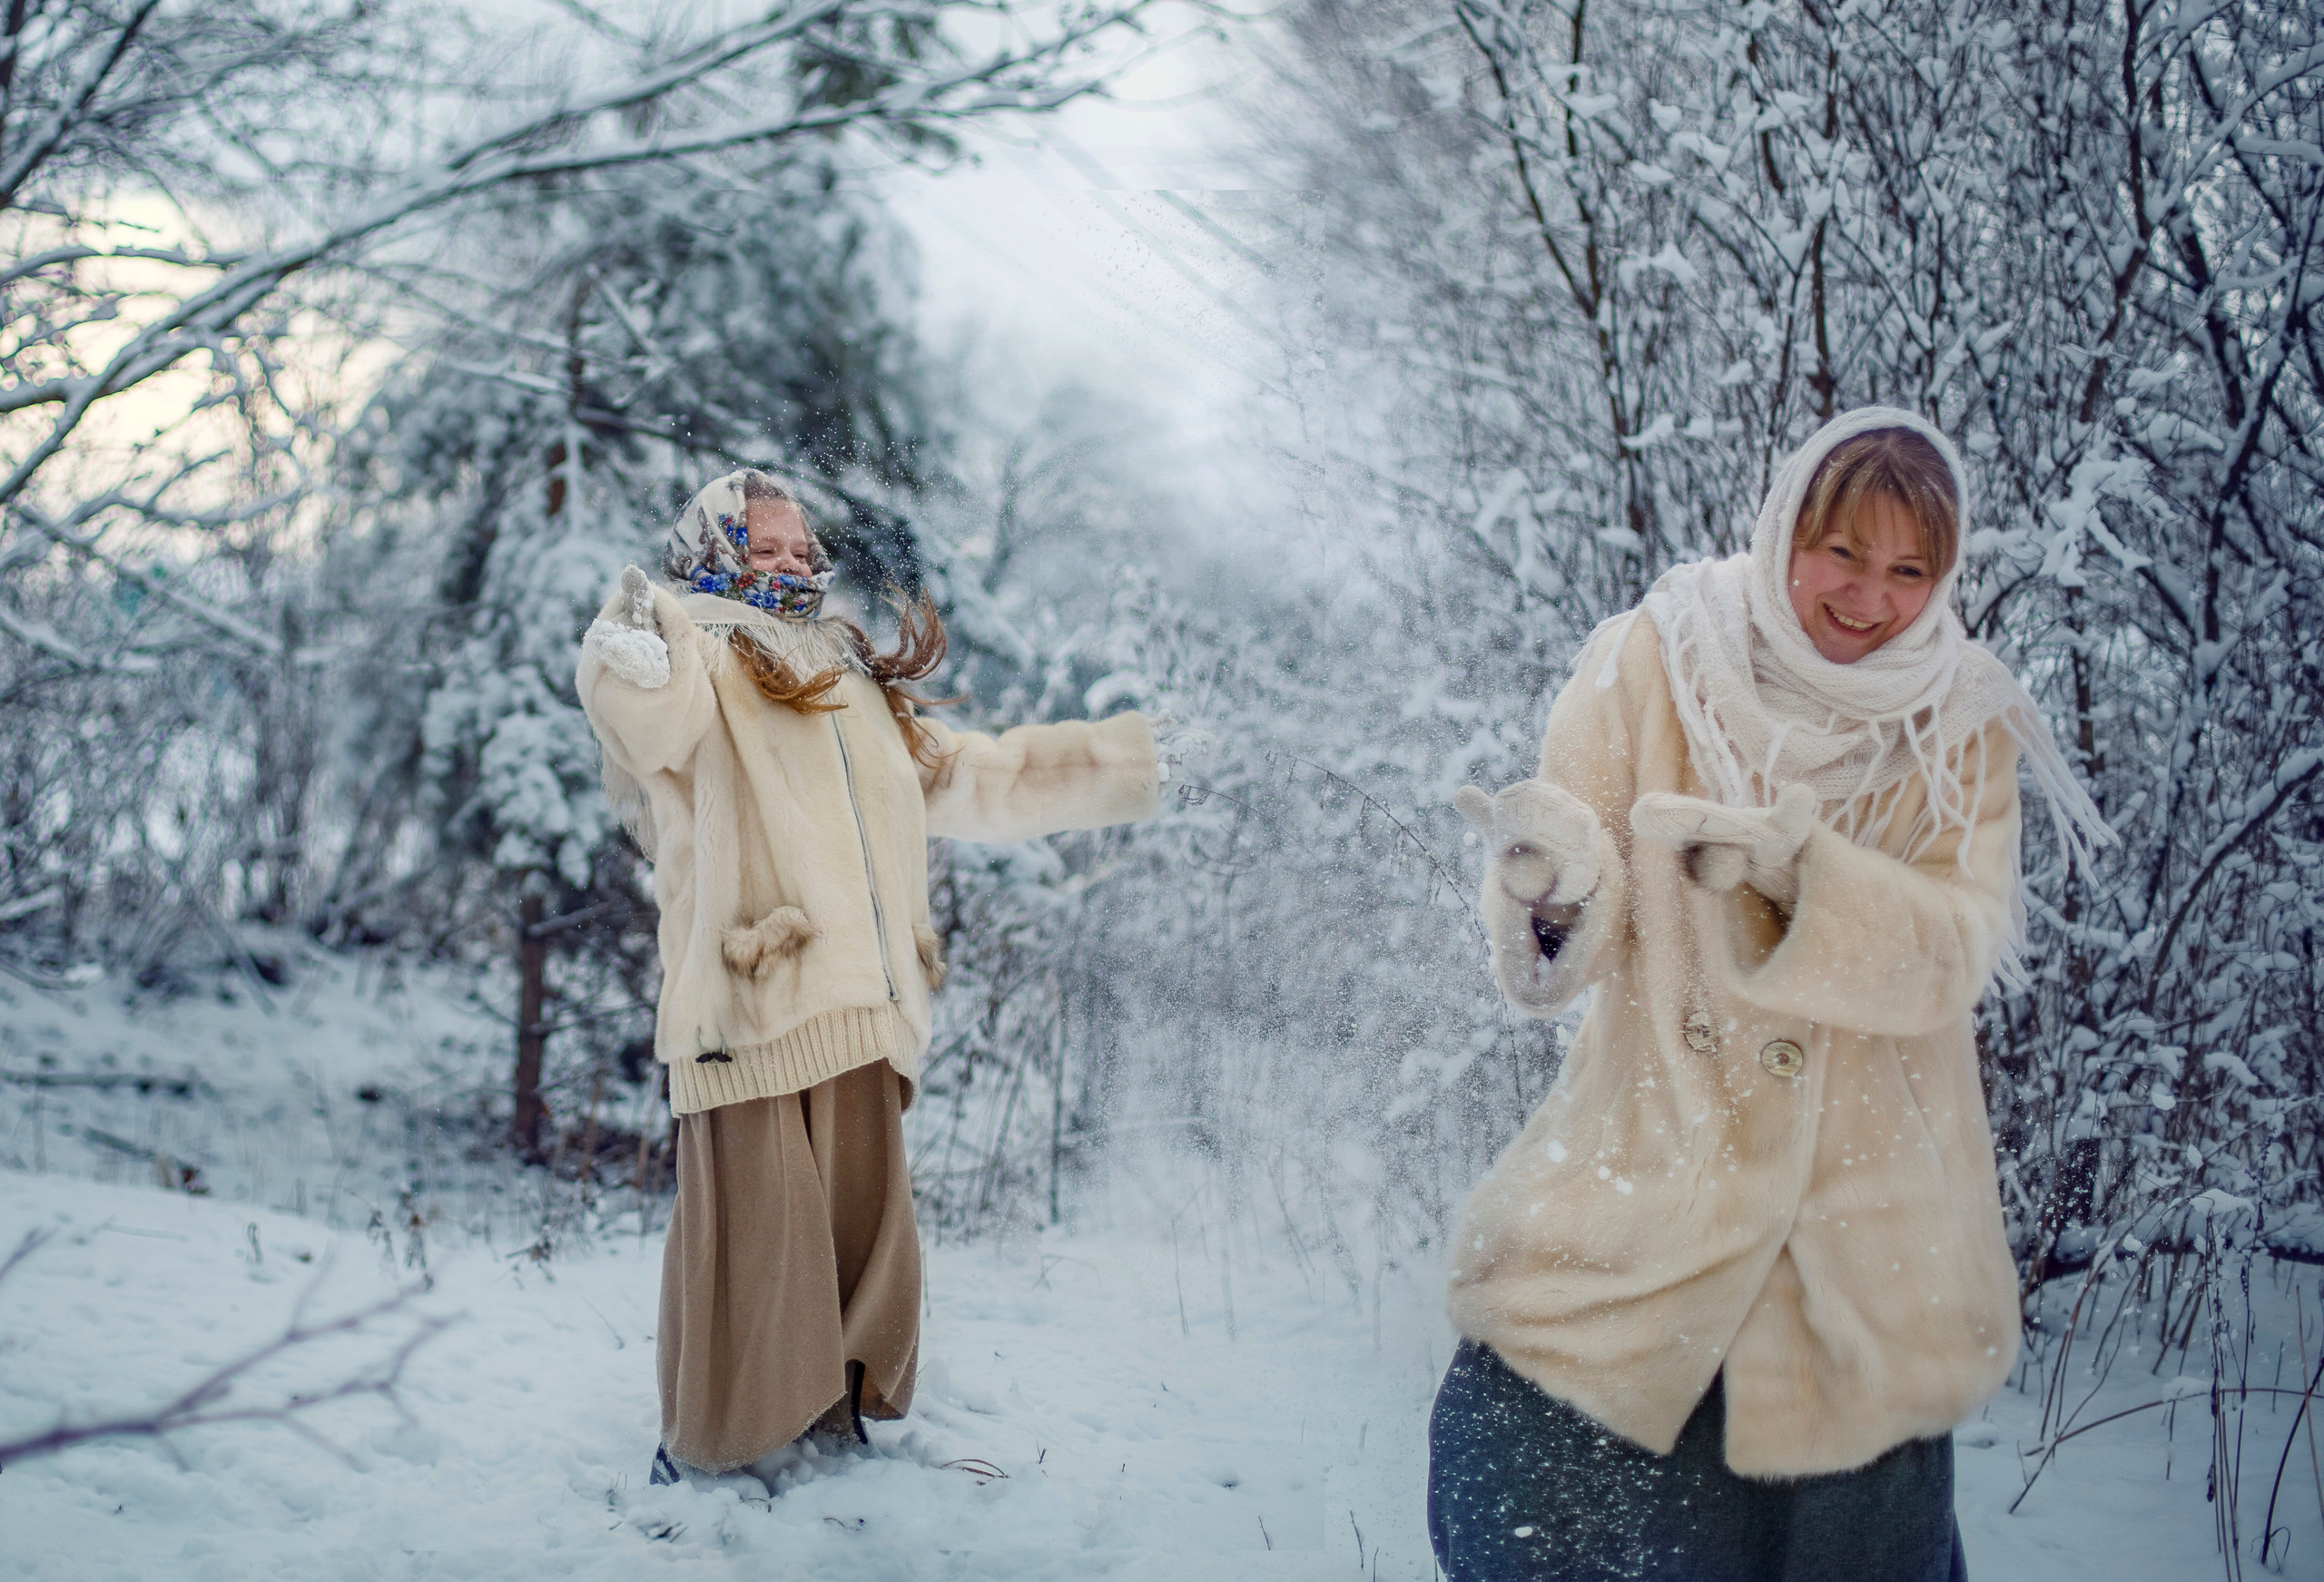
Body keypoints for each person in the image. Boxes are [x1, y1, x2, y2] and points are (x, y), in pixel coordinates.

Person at [1433, 409, 2112, 1581]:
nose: (1868, 595)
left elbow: (1957, 945)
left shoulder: (1961, 724)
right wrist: (1548, 882)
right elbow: (1571, 899)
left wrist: (1800, 882)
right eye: (1841, 552)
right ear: (1785, 525)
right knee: (1526, 1483)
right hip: (1652, 1161)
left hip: (1865, 1223)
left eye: (1910, 569)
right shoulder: (1654, 656)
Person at [577, 468, 1195, 1485]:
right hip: (749, 991)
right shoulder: (695, 651)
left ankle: (827, 1413)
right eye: (755, 548)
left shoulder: (850, 678)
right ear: (710, 556)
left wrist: (1134, 764)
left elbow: (970, 774)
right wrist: (645, 618)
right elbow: (645, 721)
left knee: (856, 1225)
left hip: (865, 997)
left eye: (795, 549)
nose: (784, 564)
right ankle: (716, 1443)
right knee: (756, 1226)